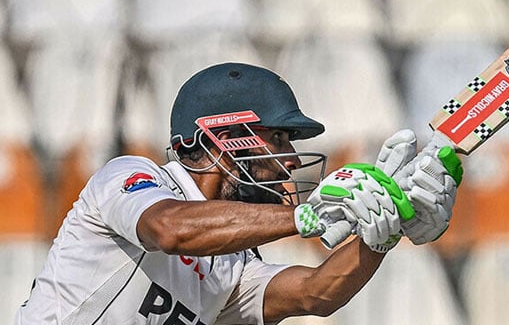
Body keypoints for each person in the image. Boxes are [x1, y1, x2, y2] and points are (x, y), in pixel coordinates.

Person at [15, 62, 462, 324]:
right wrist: (307, 215)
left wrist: (381, 234)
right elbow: (169, 231)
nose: (291, 159)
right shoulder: (129, 176)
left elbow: (314, 293)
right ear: (223, 137)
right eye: (280, 138)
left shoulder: (235, 263)